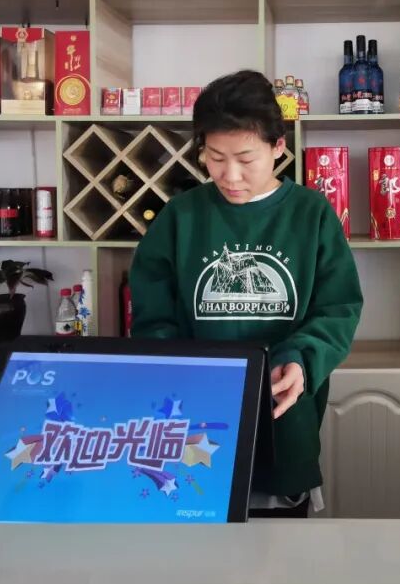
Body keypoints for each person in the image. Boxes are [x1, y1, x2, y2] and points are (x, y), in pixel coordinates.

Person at [130, 70, 363, 517]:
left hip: (283, 420)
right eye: (215, 157)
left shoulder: (311, 213)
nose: (230, 175)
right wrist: (174, 368)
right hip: (192, 423)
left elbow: (339, 307)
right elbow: (152, 316)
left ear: (278, 147)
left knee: (282, 551)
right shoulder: (181, 217)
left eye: (245, 158)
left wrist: (302, 359)